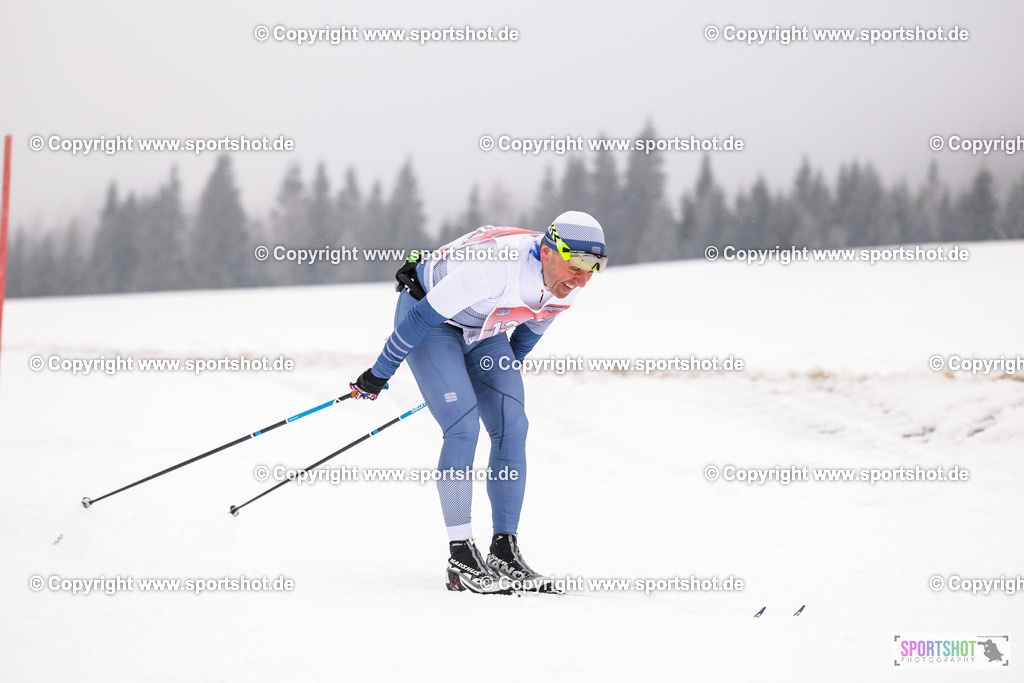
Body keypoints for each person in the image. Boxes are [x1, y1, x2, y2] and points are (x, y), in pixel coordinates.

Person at [349, 211, 607, 594]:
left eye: (595, 268)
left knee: (512, 423)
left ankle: (504, 549)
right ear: (549, 251)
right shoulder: (495, 269)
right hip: (432, 321)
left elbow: (525, 337)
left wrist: (490, 378)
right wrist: (378, 375)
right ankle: (460, 553)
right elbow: (418, 320)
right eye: (577, 266)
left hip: (485, 328)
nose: (583, 279)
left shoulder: (568, 282)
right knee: (463, 426)